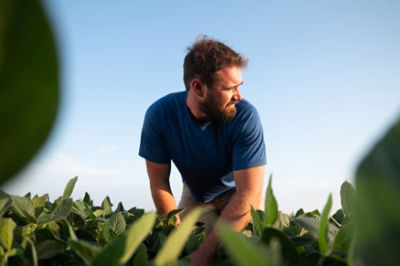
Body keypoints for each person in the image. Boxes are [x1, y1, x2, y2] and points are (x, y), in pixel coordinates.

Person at [139, 36, 267, 265]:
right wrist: (176, 234)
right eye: (229, 88)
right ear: (197, 87)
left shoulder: (246, 116)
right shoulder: (159, 116)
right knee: (187, 247)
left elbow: (249, 192)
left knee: (250, 250)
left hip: (239, 190)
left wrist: (206, 252)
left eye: (240, 86)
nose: (239, 95)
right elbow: (159, 181)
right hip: (196, 196)